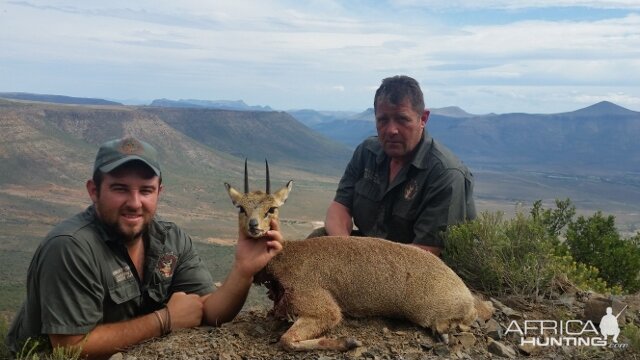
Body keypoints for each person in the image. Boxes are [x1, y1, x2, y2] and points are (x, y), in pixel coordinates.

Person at [6, 137, 283, 359]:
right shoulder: (70, 247)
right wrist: (165, 320)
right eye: (120, 188)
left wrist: (243, 269)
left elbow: (210, 312)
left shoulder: (170, 239)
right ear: (93, 191)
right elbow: (70, 347)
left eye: (146, 190)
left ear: (159, 192)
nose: (135, 202)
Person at [320, 75, 476, 256]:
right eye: (383, 120)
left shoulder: (446, 174)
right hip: (370, 254)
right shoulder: (366, 152)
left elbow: (429, 251)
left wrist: (360, 263)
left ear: (423, 118)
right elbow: (339, 207)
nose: (391, 130)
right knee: (320, 239)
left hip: (419, 269)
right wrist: (344, 248)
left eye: (402, 119)